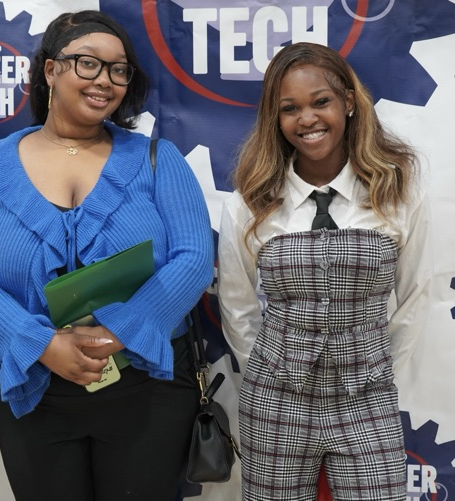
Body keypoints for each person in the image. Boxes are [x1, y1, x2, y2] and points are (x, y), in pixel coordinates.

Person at [0, 10, 212, 501]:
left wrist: (121, 330)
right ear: (49, 70)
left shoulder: (158, 159)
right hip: (34, 388)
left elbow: (193, 258)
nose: (105, 80)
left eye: (118, 69)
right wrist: (40, 343)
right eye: (87, 64)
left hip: (145, 385)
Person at [217, 42, 432, 500]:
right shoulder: (249, 203)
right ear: (275, 119)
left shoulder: (396, 191)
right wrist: (275, 369)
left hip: (366, 397)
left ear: (348, 102)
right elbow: (236, 309)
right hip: (276, 400)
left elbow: (415, 296)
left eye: (321, 102)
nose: (307, 119)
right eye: (289, 109)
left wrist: (374, 369)